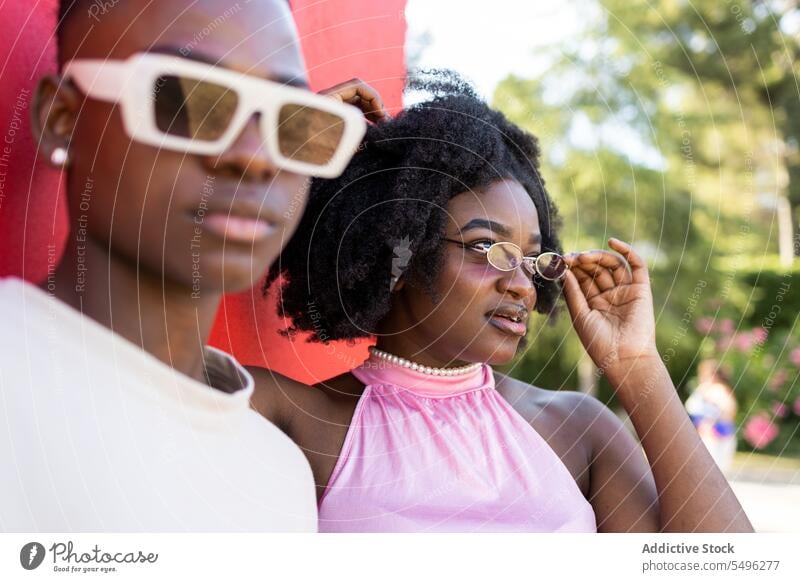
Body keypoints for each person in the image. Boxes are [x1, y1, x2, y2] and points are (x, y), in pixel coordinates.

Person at [250, 73, 753, 532]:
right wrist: (284, 146)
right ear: (398, 255)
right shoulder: (297, 417)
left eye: (532, 259)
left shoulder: (577, 430)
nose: (522, 286)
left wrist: (637, 366)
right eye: (487, 249)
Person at [0, 0, 383, 531]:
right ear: (63, 120)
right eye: (183, 100)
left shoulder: (280, 476)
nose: (255, 157)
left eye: (293, 124)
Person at [685, 360, 738, 473]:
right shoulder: (707, 390)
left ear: (713, 375)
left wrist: (710, 422)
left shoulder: (717, 390)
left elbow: (728, 411)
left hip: (715, 434)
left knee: (711, 470)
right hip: (713, 434)